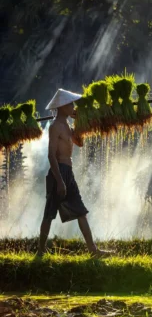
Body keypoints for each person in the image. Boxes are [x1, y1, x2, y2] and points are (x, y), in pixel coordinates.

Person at [37, 89, 111, 258]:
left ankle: (93, 250)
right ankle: (41, 251)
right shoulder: (55, 127)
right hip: (59, 173)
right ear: (62, 107)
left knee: (80, 211)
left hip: (68, 171)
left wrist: (80, 122)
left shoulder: (67, 126)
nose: (73, 107)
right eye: (70, 104)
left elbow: (80, 143)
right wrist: (60, 181)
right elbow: (51, 155)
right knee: (49, 212)